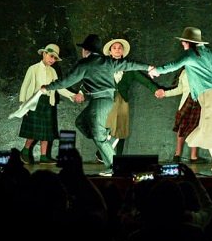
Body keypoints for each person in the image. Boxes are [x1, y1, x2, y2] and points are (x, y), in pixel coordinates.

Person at [41, 34, 151, 176]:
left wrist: (47, 87)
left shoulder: (84, 64)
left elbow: (66, 82)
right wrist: (149, 67)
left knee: (99, 138)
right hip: (104, 100)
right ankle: (102, 134)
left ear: (86, 50)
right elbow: (129, 64)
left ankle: (116, 167)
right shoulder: (108, 61)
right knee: (81, 122)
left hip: (100, 101)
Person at [149, 27, 212, 176]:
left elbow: (173, 66)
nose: (182, 44)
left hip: (209, 96)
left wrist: (156, 71)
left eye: (184, 41)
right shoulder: (210, 53)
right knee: (211, 130)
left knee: (208, 130)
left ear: (189, 42)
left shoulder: (190, 55)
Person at [17, 44, 84, 165]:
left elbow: (59, 87)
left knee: (46, 131)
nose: (52, 60)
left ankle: (44, 156)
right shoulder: (33, 68)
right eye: (51, 56)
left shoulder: (53, 71)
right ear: (44, 54)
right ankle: (25, 151)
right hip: (34, 101)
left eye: (55, 58)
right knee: (34, 129)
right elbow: (24, 86)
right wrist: (23, 104)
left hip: (47, 103)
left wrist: (72, 96)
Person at [99, 37, 162, 161]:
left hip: (122, 101)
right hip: (106, 101)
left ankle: (118, 158)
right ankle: (104, 153)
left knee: (121, 130)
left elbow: (144, 80)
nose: (117, 50)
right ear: (110, 51)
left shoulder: (130, 67)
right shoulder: (103, 66)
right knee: (108, 128)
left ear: (123, 51)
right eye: (114, 48)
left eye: (119, 48)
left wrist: (155, 89)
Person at [155, 68, 207, 163]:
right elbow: (180, 89)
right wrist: (165, 93)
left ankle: (191, 156)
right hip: (187, 102)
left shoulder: (200, 69)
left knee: (195, 128)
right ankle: (179, 155)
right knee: (183, 128)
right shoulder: (185, 72)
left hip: (198, 102)